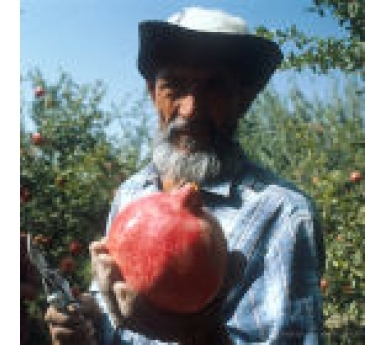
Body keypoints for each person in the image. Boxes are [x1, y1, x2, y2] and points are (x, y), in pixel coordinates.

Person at [45, 7, 325, 344]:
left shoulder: (284, 214)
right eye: (174, 86)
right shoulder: (133, 193)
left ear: (244, 100)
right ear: (152, 94)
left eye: (214, 88)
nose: (191, 109)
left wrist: (199, 335)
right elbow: (111, 311)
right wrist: (84, 320)